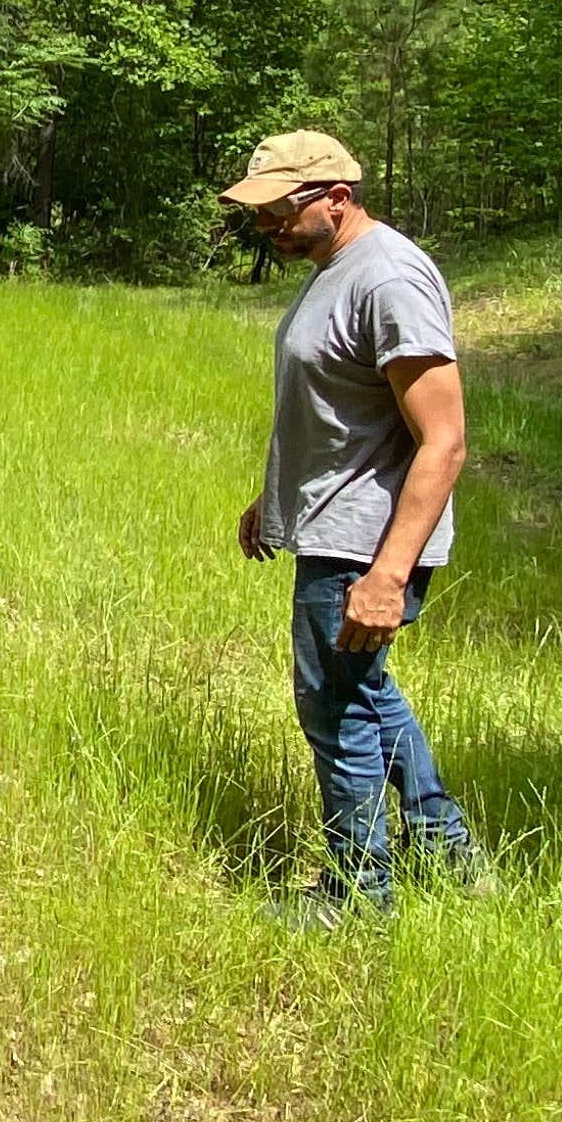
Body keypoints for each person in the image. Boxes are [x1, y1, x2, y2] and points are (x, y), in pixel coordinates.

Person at [223, 129, 479, 908]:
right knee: (366, 694)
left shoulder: (389, 277)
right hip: (331, 520)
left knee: (334, 710)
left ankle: (357, 891)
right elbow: (337, 408)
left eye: (279, 212)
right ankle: (444, 851)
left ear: (337, 197)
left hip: (364, 544)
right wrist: (276, 494)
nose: (267, 228)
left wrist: (389, 574)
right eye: (257, 214)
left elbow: (445, 440)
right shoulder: (335, 266)